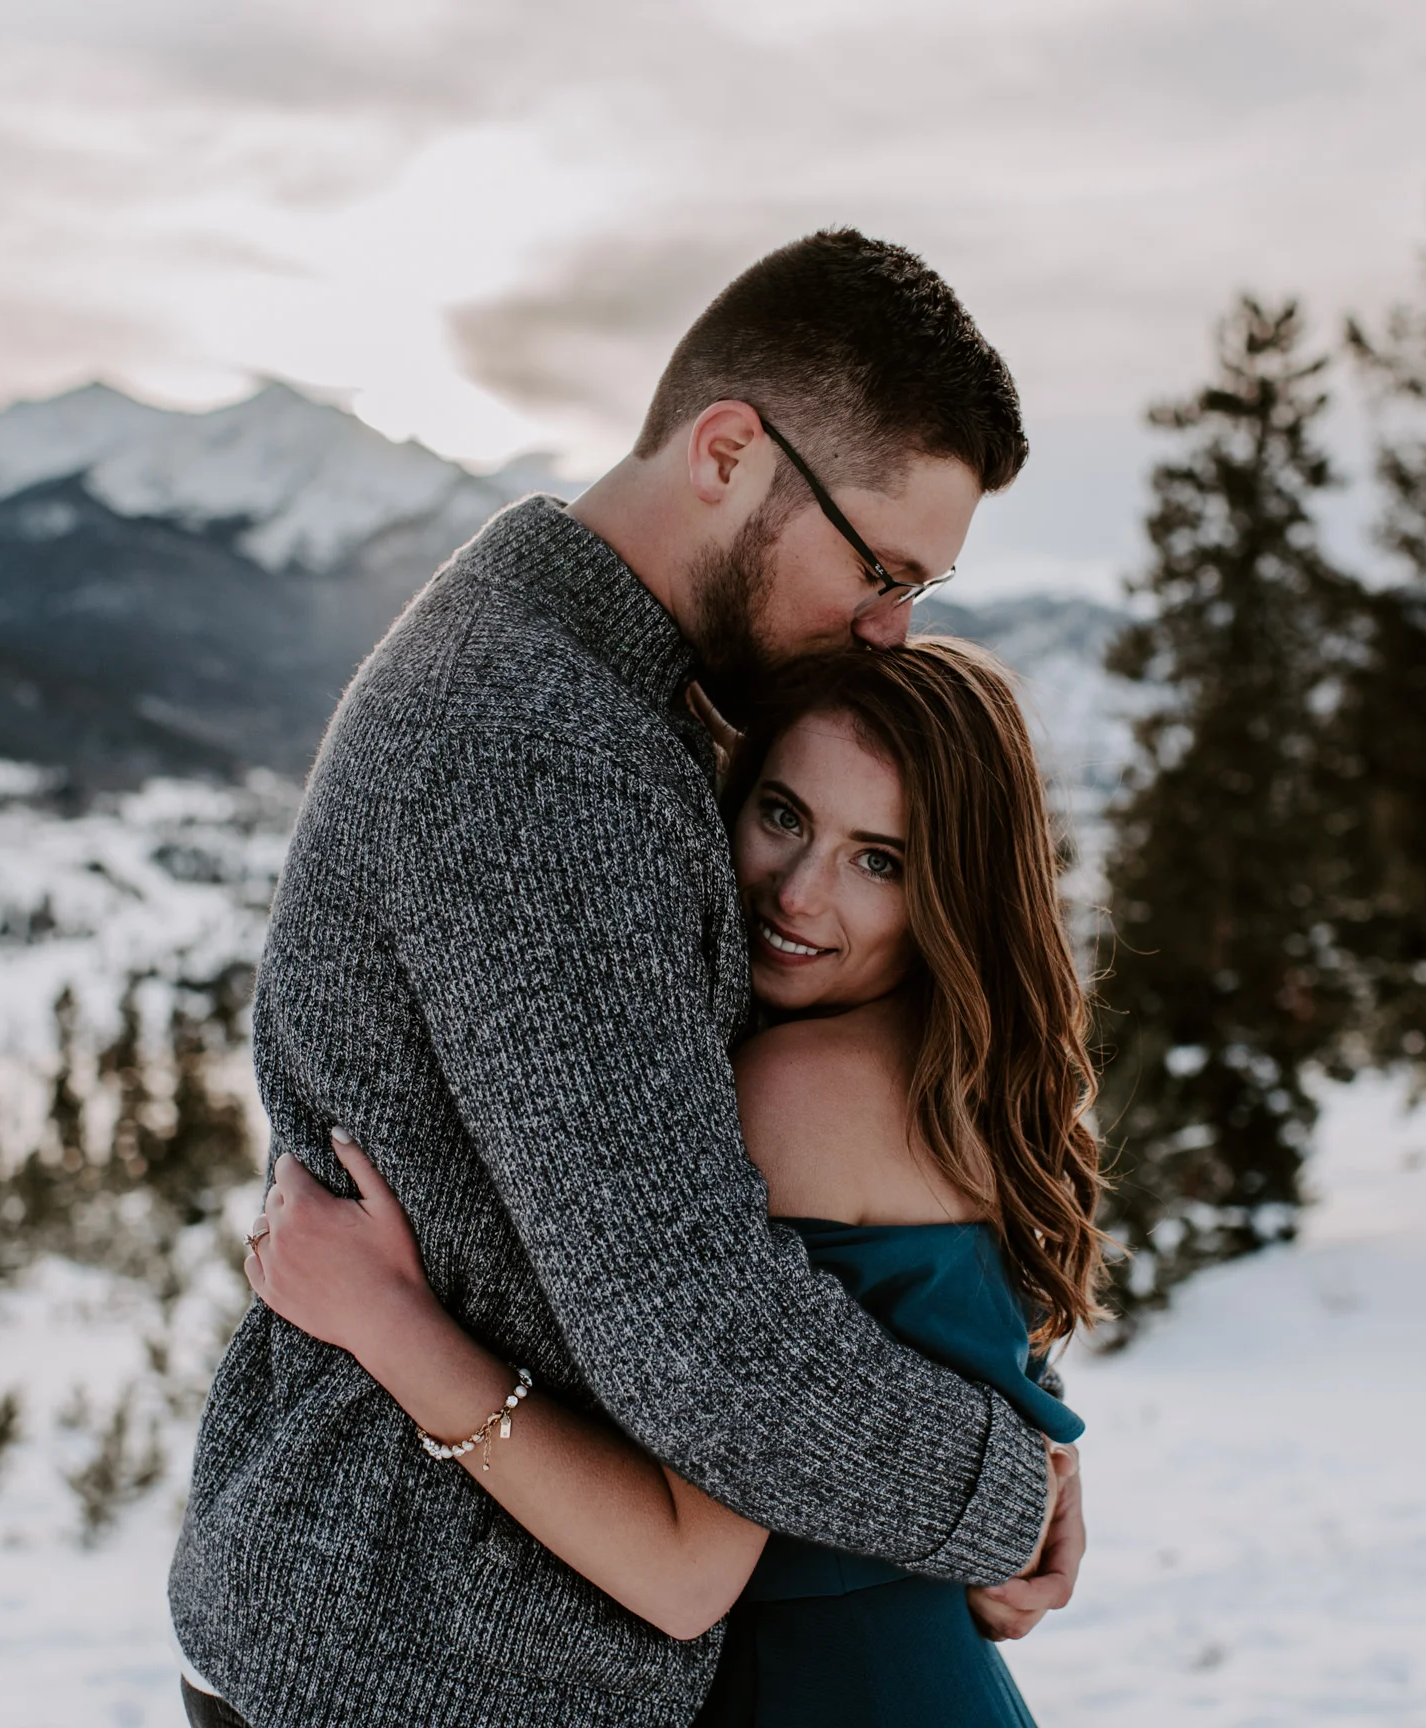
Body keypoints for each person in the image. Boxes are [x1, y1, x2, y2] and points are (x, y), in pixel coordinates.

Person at [167, 230, 1082, 1728]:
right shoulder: (541, 742)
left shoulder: (619, 697)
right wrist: (1000, 1495)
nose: (891, 629)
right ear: (731, 452)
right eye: (882, 568)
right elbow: (694, 1326)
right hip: (420, 1660)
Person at [249, 637, 1109, 1727]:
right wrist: (1023, 1495)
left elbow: (681, 1570)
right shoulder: (957, 1076)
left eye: (878, 861)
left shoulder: (797, 1087)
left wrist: (387, 1319)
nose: (799, 895)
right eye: (786, 817)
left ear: (953, 894)